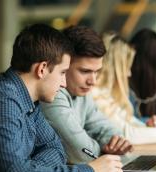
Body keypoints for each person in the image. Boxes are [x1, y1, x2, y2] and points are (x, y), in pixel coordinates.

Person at [0, 24, 124, 172]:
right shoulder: (2, 101)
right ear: (42, 69)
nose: (64, 83)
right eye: (62, 72)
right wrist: (91, 171)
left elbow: (55, 148)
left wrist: (29, 171)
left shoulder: (28, 100)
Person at [41, 26, 133, 164]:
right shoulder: (52, 95)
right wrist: (105, 151)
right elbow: (81, 153)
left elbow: (106, 128)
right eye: (85, 71)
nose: (93, 81)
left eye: (96, 72)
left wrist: (115, 142)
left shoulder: (82, 92)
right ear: (64, 66)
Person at [92, 33, 156, 145]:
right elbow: (126, 134)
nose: (129, 73)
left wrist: (148, 127)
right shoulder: (95, 94)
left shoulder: (107, 94)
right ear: (116, 68)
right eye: (127, 67)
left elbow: (130, 122)